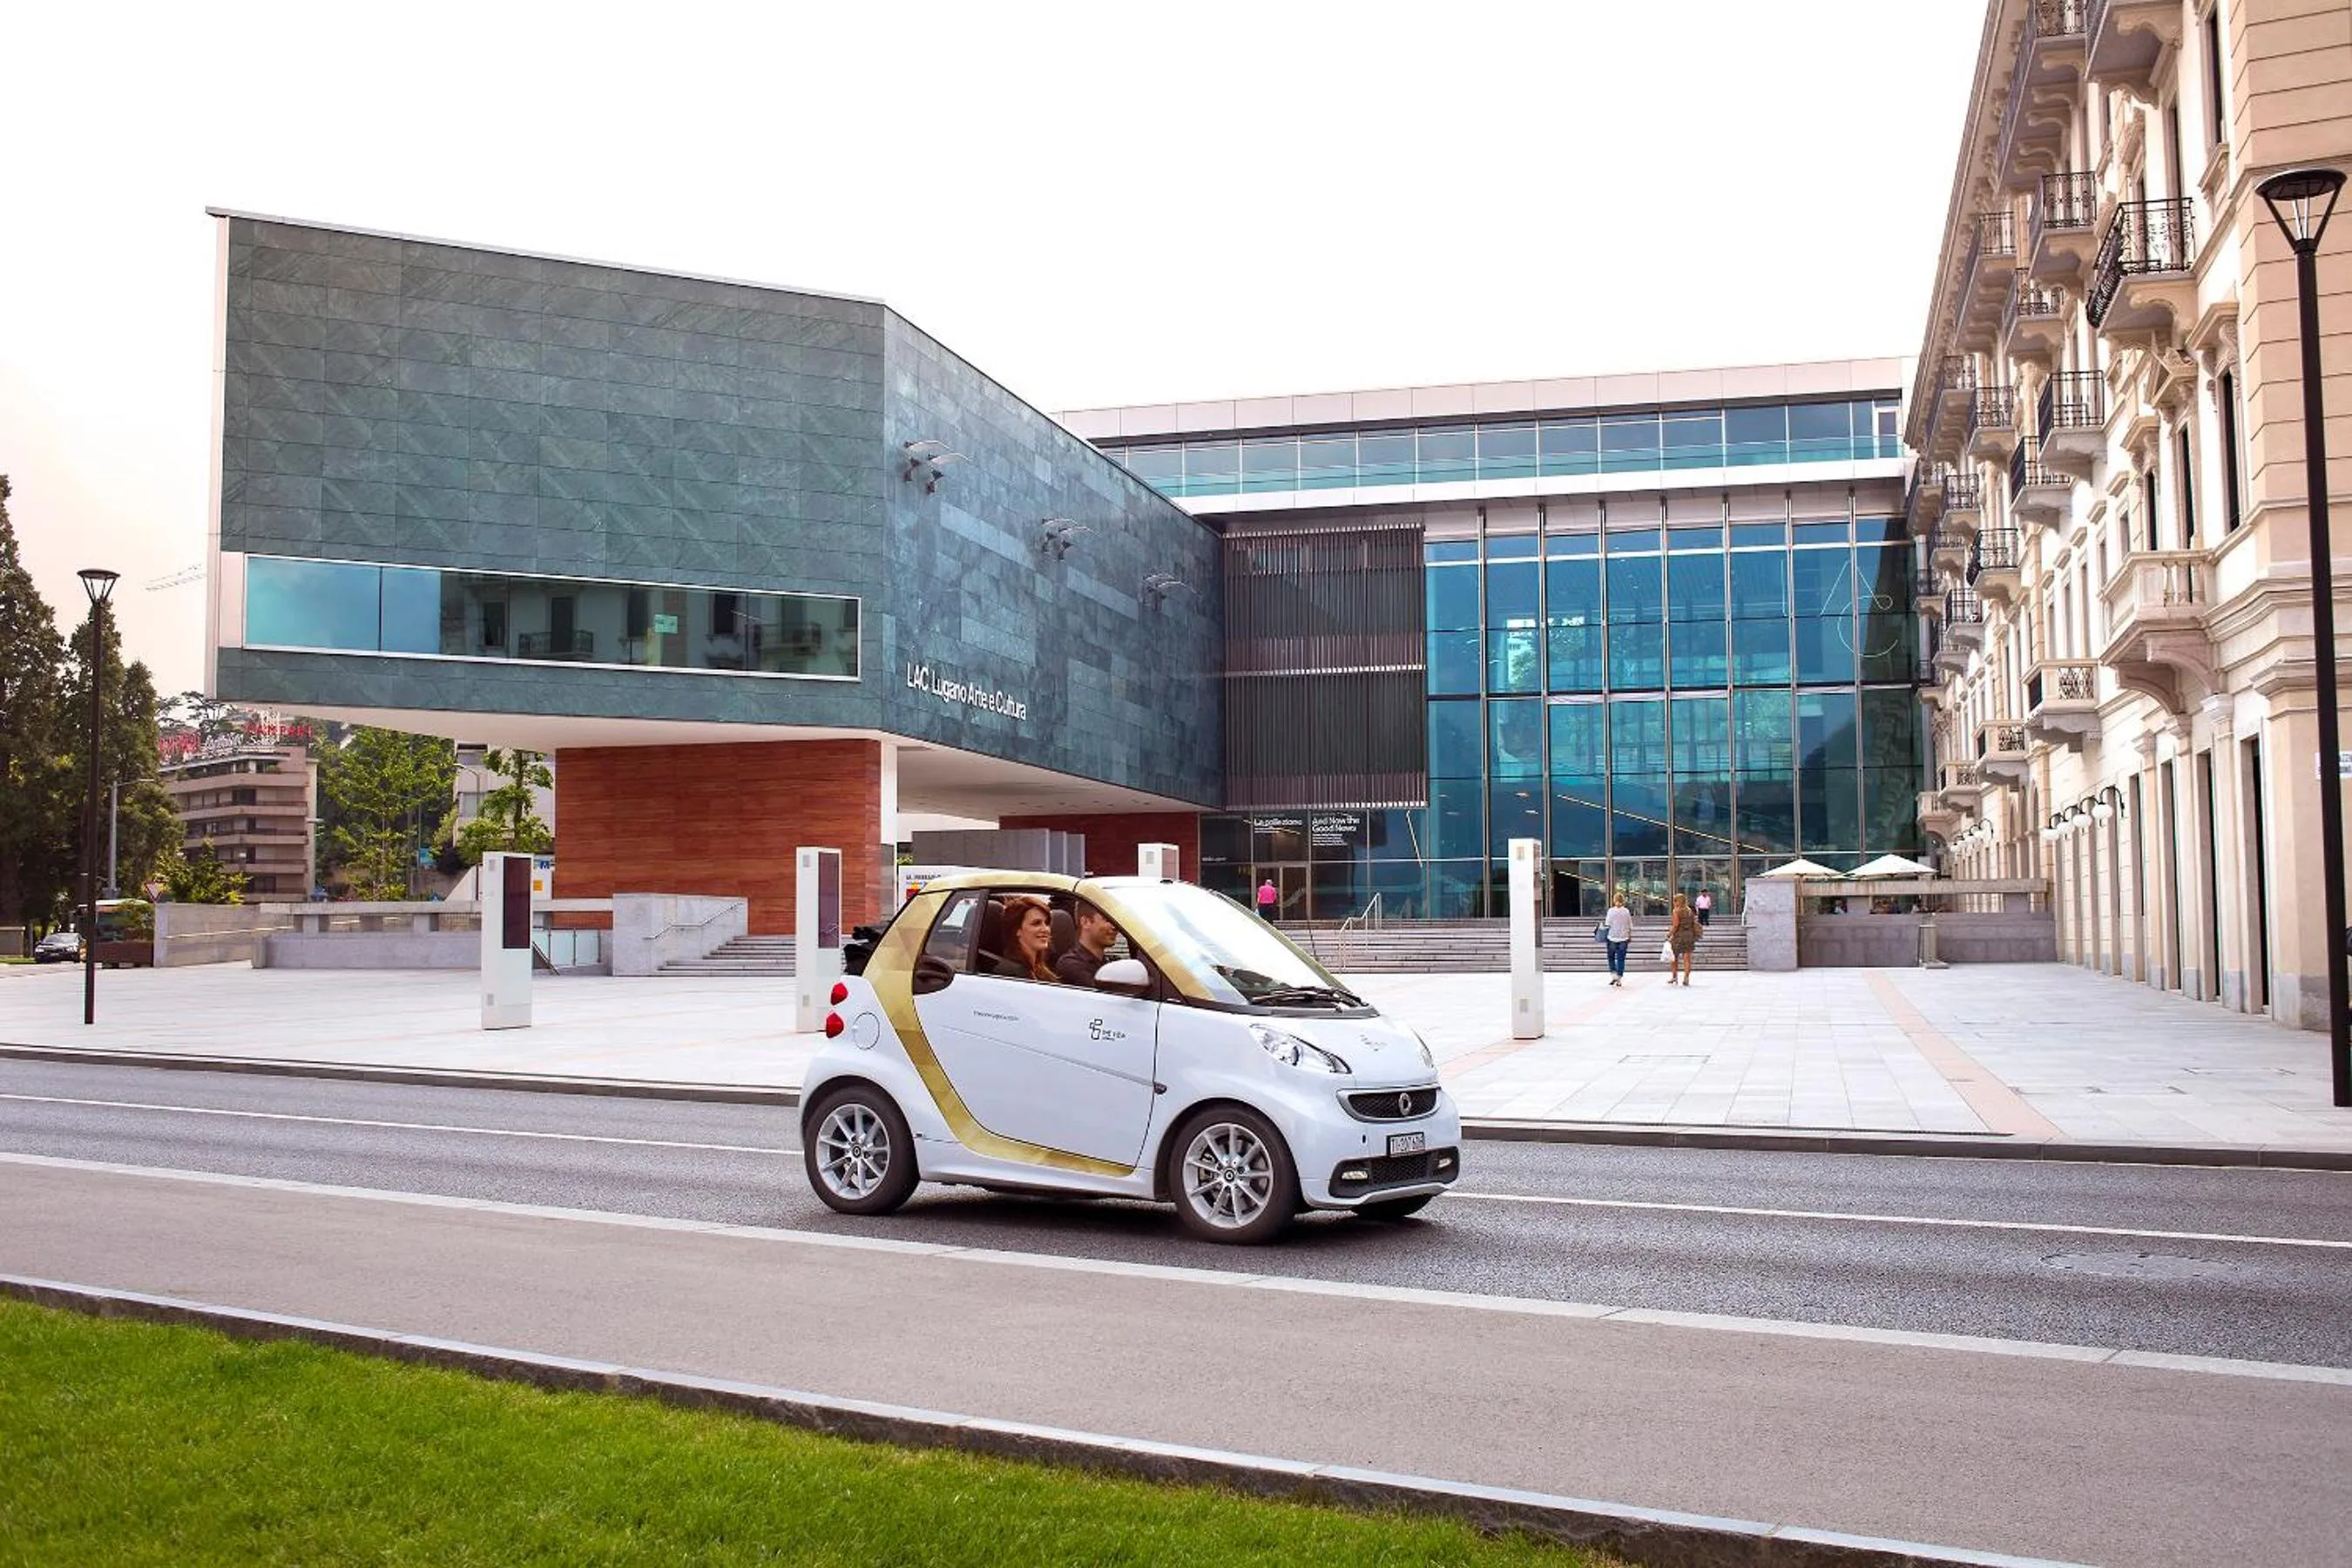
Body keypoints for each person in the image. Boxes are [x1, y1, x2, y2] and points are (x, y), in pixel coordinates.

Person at [990, 896, 1057, 982]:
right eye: (1036, 923)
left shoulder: (1041, 971)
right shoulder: (1009, 974)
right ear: (1017, 930)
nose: (1045, 929)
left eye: (1047, 923)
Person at [1055, 901, 1119, 987]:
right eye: (1107, 920)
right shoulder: (1071, 965)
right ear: (1085, 922)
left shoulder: (1107, 962)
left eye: (1115, 921)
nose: (1115, 927)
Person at [1666, 892, 1700, 986]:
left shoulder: (1676, 911)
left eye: (1674, 900)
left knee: (1674, 958)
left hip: (1679, 936)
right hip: (1689, 936)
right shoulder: (1689, 911)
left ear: (1677, 901)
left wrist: (1669, 934)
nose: (1673, 902)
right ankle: (1686, 977)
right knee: (1687, 958)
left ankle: (1674, 977)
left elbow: (1676, 925)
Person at [1602, 893, 1633, 987]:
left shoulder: (1611, 911)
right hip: (1624, 938)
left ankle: (1613, 974)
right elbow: (1629, 925)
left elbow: (1607, 924)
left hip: (1612, 937)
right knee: (1621, 959)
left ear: (1614, 900)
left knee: (1611, 957)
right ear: (1623, 900)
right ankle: (1619, 978)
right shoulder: (1626, 911)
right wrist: (1629, 936)